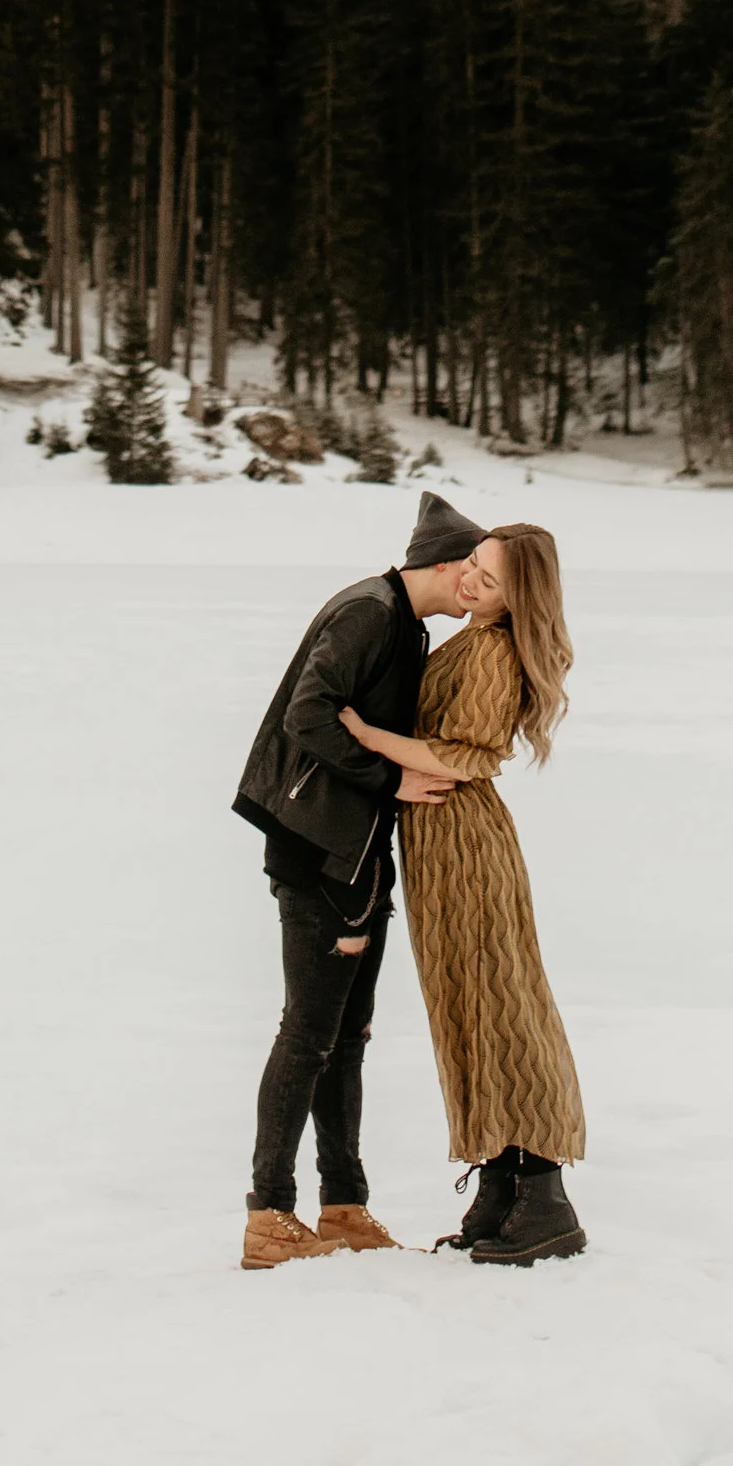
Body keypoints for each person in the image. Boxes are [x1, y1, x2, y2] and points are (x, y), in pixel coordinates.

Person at [228, 491, 487, 1268]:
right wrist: (388, 780)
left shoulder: (400, 622)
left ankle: (343, 1206)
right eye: (471, 569)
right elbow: (307, 717)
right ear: (441, 565)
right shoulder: (370, 614)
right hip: (318, 851)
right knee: (310, 1033)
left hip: (353, 855)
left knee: (347, 1038)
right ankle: (269, 1215)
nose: (476, 585)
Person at [338, 520, 587, 1265]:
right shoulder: (473, 637)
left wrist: (363, 734)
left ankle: (543, 1194)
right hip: (439, 844)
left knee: (503, 1003)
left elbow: (460, 758)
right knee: (468, 1005)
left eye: (494, 578)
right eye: (473, 563)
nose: (473, 580)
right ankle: (503, 1186)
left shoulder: (491, 651)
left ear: (521, 597)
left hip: (465, 839)